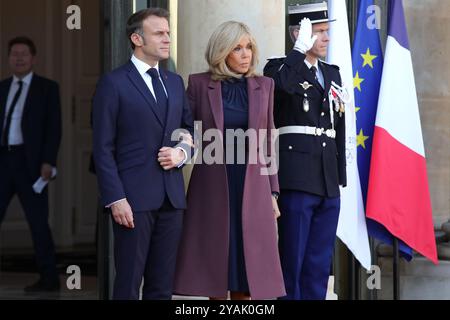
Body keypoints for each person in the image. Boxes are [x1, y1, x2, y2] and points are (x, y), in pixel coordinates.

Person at [174, 21, 285, 300]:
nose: (246, 54)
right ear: (222, 52)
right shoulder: (199, 84)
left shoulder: (265, 85)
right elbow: (186, 129)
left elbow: (268, 140)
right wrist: (179, 149)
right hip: (212, 186)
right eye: (237, 48)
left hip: (254, 186)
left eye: (249, 47)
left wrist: (273, 192)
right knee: (215, 267)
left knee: (248, 272)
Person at [92, 8, 194, 300]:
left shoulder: (174, 82)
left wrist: (181, 153)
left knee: (162, 287)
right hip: (132, 200)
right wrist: (115, 199)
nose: (167, 39)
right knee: (127, 284)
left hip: (172, 199)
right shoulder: (113, 83)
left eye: (168, 33)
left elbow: (189, 128)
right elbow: (102, 148)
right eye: (159, 33)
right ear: (137, 38)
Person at [264, 2, 346, 300]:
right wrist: (298, 50)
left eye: (327, 31)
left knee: (319, 263)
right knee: (292, 259)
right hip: (296, 177)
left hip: (326, 177)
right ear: (298, 33)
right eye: (318, 32)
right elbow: (279, 86)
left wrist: (340, 174)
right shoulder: (279, 68)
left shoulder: (331, 73)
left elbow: (338, 123)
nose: (326, 38)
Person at [0, 36, 61, 292]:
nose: (19, 58)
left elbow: (53, 129)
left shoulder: (47, 88)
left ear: (33, 58)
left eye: (24, 53)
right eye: (14, 54)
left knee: (38, 224)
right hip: (3, 160)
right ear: (8, 58)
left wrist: (48, 161)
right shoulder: (2, 87)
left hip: (31, 164)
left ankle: (49, 280)